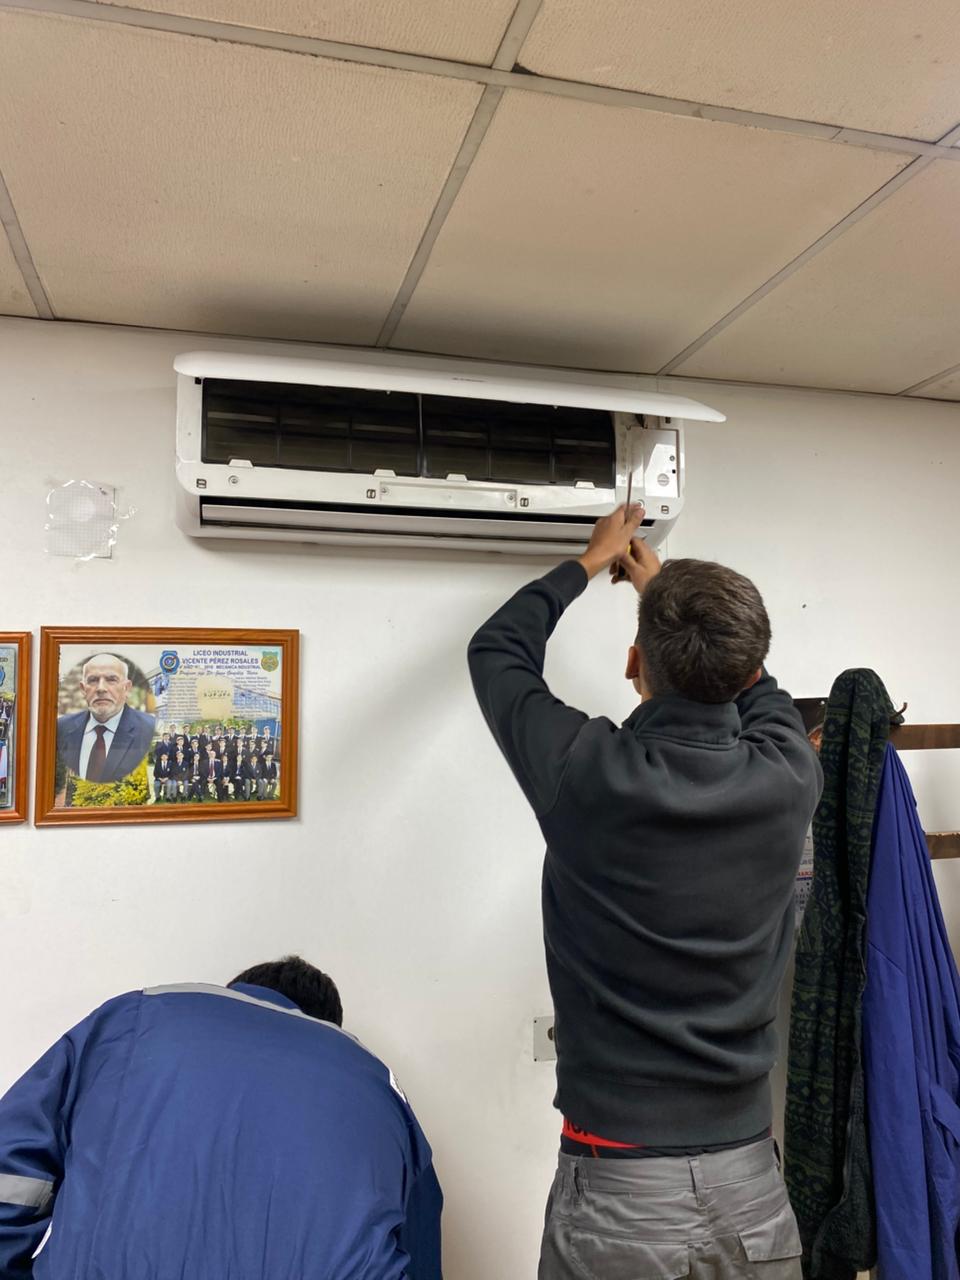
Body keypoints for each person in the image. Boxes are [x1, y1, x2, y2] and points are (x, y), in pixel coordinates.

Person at [468, 505, 822, 1279]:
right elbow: (761, 690)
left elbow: (496, 649)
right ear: (745, 671)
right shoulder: (789, 773)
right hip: (753, 1191)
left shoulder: (586, 771)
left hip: (620, 1192)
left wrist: (591, 562)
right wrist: (663, 593)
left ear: (635, 662)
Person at [0, 956, 442, 1278]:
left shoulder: (134, 1017)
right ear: (328, 1025)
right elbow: (420, 1250)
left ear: (234, 993)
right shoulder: (383, 1090)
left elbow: (12, 1166)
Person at [56, 654, 155, 784]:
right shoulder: (61, 727)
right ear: (83, 689)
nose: (101, 688)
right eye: (93, 680)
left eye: (111, 679)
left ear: (126, 688)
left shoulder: (149, 729)